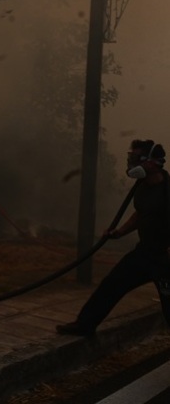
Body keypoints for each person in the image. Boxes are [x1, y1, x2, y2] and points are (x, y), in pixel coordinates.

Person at [57, 139, 170, 337]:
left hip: (165, 258)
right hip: (144, 253)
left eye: (137, 159)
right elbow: (139, 214)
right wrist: (119, 232)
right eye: (131, 158)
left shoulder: (168, 190)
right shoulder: (142, 187)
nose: (132, 164)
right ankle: (84, 325)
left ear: (153, 162)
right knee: (112, 285)